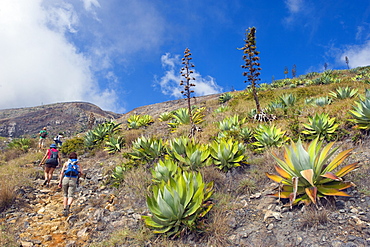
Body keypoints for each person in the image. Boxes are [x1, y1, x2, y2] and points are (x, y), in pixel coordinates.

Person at [58, 152, 83, 217]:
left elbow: (62, 173)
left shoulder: (66, 163)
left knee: (65, 194)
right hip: (73, 180)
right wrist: (78, 177)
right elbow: (81, 173)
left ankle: (64, 208)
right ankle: (68, 206)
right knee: (71, 195)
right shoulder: (78, 164)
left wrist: (60, 182)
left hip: (65, 179)